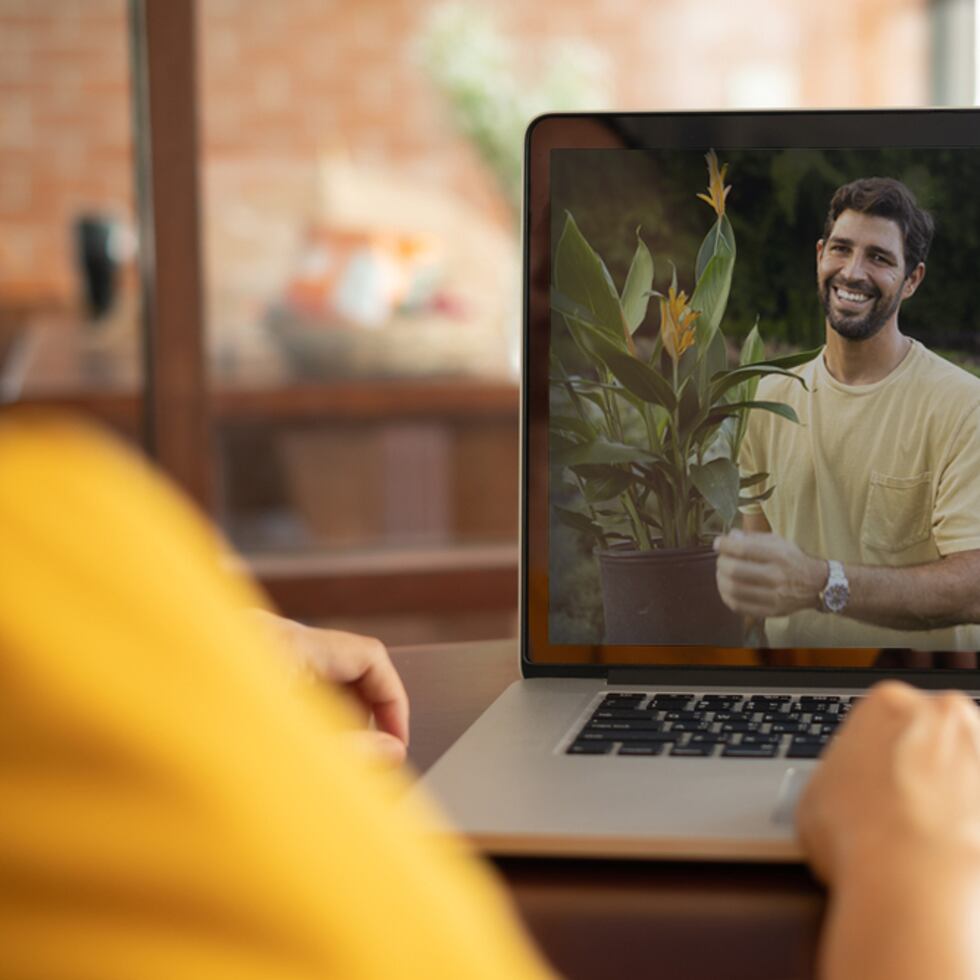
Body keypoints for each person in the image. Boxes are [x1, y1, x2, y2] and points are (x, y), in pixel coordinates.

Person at [4, 410, 980, 980]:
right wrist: (914, 876)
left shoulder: (62, 547)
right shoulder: (68, 530)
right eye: (840, 246)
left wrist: (189, 650)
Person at [716, 177, 980, 650]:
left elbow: (974, 588)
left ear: (912, 279)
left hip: (920, 700)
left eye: (879, 258)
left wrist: (823, 582)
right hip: (788, 694)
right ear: (820, 255)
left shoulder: (964, 407)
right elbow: (756, 590)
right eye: (841, 249)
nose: (853, 272)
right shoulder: (769, 400)